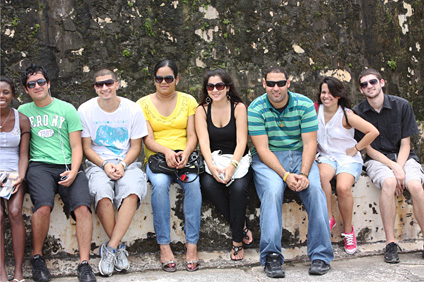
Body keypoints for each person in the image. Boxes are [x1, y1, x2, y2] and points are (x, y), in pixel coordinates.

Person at [247, 66, 334, 278]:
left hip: (300, 155)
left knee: (314, 189)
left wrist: (303, 175)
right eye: (270, 84)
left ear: (288, 83)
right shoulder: (256, 108)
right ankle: (272, 257)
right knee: (273, 191)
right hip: (269, 159)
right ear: (264, 84)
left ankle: (321, 255)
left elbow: (310, 143)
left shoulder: (304, 104)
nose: (275, 88)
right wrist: (285, 175)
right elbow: (263, 149)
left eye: (280, 83)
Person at [18, 64, 96, 282]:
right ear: (26, 90)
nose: (37, 86)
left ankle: (84, 264)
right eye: (31, 84)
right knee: (42, 206)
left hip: (67, 164)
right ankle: (37, 258)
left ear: (48, 83)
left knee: (82, 208)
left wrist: (73, 170)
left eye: (41, 82)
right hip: (39, 165)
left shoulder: (67, 109)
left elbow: (77, 147)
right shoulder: (22, 112)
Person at [78, 69, 148, 276]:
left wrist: (124, 165)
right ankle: (118, 249)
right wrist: (104, 165)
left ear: (117, 84)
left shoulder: (133, 109)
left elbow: (136, 147)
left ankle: (110, 248)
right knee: (102, 193)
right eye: (99, 85)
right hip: (98, 164)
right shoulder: (85, 110)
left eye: (108, 83)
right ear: (94, 88)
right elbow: (87, 148)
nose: (104, 88)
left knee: (133, 191)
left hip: (127, 162)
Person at [136, 59, 201, 272]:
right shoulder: (143, 104)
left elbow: (192, 135)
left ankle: (192, 246)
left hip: (184, 158)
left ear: (177, 79)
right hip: (157, 159)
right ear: (154, 80)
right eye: (159, 78)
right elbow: (148, 140)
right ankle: (164, 246)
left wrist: (185, 153)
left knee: (193, 185)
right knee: (160, 185)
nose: (163, 82)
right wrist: (167, 152)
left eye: (168, 78)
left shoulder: (188, 101)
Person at [354, 68, 424, 263]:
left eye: (372, 82)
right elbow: (369, 150)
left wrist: (399, 167)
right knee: (389, 183)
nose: (369, 86)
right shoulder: (358, 112)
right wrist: (394, 168)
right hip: (378, 159)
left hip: (404, 156)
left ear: (382, 82)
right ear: (361, 89)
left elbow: (406, 144)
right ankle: (390, 243)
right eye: (364, 84)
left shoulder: (402, 106)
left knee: (416, 185)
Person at [316, 77, 379, 255]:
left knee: (343, 187)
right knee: (322, 177)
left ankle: (349, 231)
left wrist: (357, 148)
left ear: (338, 95)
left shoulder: (346, 115)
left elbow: (373, 131)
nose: (326, 96)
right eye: (323, 92)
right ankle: (329, 218)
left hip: (347, 158)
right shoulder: (315, 111)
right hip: (326, 157)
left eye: (330, 92)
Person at [195, 69, 253, 261]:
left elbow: (242, 141)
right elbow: (203, 143)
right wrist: (212, 168)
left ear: (227, 87)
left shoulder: (239, 107)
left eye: (219, 86)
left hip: (238, 160)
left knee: (238, 189)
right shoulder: (201, 110)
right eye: (210, 86)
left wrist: (231, 168)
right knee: (209, 184)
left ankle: (237, 241)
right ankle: (241, 225)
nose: (215, 90)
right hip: (214, 160)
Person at [0, 77, 30, 282]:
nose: (1, 97)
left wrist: (20, 176)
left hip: (14, 173)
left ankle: (18, 270)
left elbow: (24, 154)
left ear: (12, 95)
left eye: (5, 92)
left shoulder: (21, 119)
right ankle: (1, 271)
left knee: (15, 211)